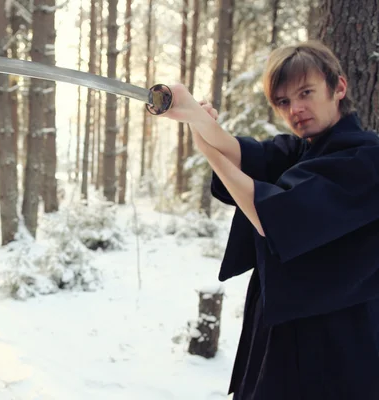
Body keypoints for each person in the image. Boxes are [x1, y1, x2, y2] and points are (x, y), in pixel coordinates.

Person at [157, 41, 379, 399]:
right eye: (284, 102)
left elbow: (270, 213)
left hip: (338, 342)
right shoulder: (302, 150)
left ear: (338, 87)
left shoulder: (366, 160)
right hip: (282, 333)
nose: (296, 109)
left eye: (306, 93)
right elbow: (240, 153)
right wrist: (195, 118)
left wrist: (207, 151)